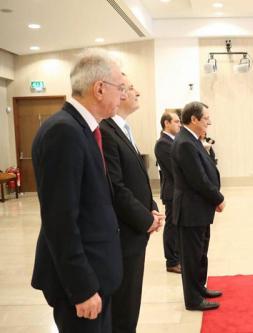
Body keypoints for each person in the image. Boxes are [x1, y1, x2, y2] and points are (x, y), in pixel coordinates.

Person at [31, 48, 127, 332]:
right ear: (99, 88)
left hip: (97, 274)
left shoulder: (83, 129)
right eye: (119, 87)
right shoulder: (65, 132)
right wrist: (82, 287)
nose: (122, 95)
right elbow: (60, 221)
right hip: (82, 285)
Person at [100, 74, 163, 333]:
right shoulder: (105, 131)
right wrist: (146, 218)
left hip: (135, 228)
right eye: (132, 88)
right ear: (120, 93)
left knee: (131, 298)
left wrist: (152, 206)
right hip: (123, 232)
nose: (137, 93)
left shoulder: (123, 128)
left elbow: (136, 176)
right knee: (124, 303)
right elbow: (116, 187)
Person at [171, 102, 225, 311]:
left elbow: (208, 167)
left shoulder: (192, 140)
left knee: (201, 252)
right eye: (205, 119)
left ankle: (200, 288)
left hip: (199, 208)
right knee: (192, 256)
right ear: (193, 119)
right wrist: (217, 198)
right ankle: (193, 299)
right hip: (191, 209)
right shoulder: (185, 143)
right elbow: (198, 179)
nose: (209, 122)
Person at [154, 110, 182, 274]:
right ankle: (171, 261)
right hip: (172, 192)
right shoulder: (163, 143)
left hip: (177, 191)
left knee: (177, 226)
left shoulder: (173, 141)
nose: (179, 124)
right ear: (167, 123)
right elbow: (174, 169)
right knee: (172, 226)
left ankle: (177, 257)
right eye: (176, 121)